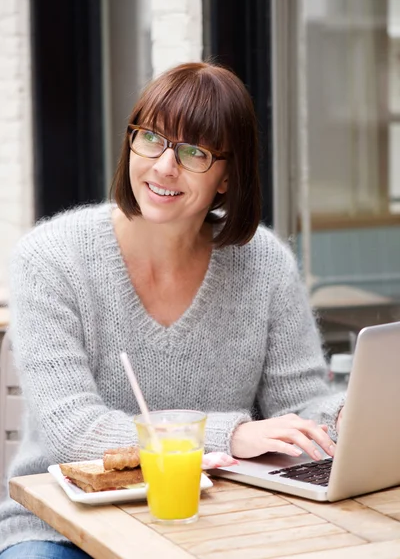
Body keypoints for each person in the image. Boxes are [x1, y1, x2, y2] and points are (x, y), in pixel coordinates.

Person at [0, 61, 345, 558]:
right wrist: (233, 435)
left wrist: (350, 418)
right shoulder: (52, 258)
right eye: (151, 139)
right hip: (66, 526)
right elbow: (71, 430)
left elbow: (299, 407)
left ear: (228, 177)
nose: (164, 166)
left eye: (193, 152)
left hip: (216, 520)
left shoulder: (264, 264)